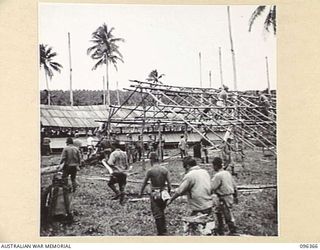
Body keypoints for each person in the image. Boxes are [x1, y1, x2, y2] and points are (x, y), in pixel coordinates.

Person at [140, 158, 172, 235]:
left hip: (154, 192)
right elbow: (169, 183)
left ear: (151, 161)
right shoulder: (164, 170)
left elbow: (144, 183)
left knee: (157, 213)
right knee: (161, 210)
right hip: (163, 192)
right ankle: (164, 229)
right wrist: (169, 191)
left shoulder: (150, 171)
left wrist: (141, 192)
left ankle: (160, 232)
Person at [211, 157, 238, 236]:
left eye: (213, 166)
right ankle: (220, 228)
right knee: (219, 211)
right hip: (229, 195)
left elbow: (212, 187)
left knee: (227, 214)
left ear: (216, 166)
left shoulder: (218, 176)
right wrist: (236, 195)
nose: (213, 167)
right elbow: (234, 185)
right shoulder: (227, 173)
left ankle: (232, 230)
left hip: (223, 197)